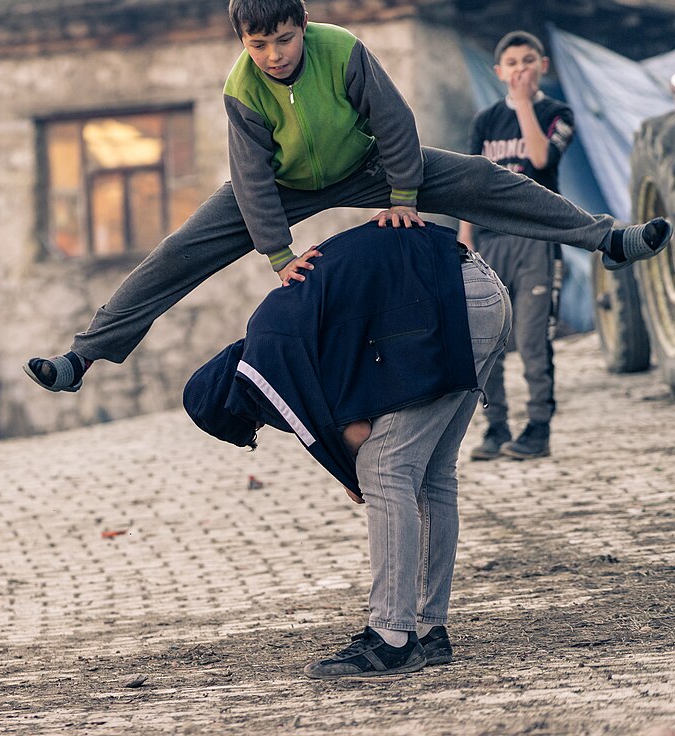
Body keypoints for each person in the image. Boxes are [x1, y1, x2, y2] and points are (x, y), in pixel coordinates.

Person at [24, 0, 668, 394]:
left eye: (284, 38)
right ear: (242, 43)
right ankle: (81, 358)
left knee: (482, 177)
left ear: (302, 27)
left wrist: (403, 198)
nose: (275, 55)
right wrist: (279, 255)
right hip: (283, 188)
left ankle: (608, 239)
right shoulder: (241, 89)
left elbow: (394, 123)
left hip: (368, 166)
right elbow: (249, 179)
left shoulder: (343, 50)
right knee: (177, 251)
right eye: (259, 44)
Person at [183, 222, 511, 679]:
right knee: (431, 473)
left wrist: (353, 475)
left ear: (236, 402)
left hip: (452, 301)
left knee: (386, 470)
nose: (262, 422)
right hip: (478, 289)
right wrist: (347, 471)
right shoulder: (281, 326)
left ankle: (392, 639)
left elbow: (344, 430)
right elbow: (347, 416)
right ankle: (425, 628)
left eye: (252, 421)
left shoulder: (273, 347)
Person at [459, 31, 571, 461]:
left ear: (542, 65)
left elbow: (541, 160)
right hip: (490, 243)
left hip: (538, 242)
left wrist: (525, 104)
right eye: (512, 62)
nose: (520, 69)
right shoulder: (485, 122)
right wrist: (465, 238)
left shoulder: (557, 113)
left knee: (532, 338)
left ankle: (538, 426)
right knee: (488, 340)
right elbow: (469, 186)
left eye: (529, 60)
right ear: (499, 72)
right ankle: (496, 425)